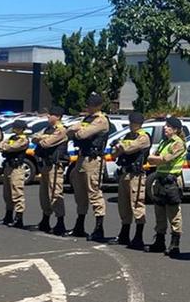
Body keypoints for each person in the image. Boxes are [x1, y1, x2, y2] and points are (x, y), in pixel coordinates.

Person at [66, 93, 112, 241]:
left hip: (93, 160)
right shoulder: (87, 119)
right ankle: (79, 226)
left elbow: (82, 134)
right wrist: (76, 131)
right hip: (81, 157)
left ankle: (99, 228)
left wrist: (76, 132)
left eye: (91, 105)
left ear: (98, 106)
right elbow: (69, 131)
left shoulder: (101, 120)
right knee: (80, 193)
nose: (88, 107)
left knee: (94, 192)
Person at [147, 116, 187, 257]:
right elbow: (153, 158)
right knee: (159, 212)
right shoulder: (164, 142)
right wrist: (155, 159)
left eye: (168, 126)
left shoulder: (178, 143)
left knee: (174, 213)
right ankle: (159, 240)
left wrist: (155, 159)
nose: (165, 128)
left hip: (172, 182)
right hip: (160, 180)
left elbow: (164, 158)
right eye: (165, 126)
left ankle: (175, 243)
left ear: (175, 130)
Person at [114, 111, 152, 249]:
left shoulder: (144, 137)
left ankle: (138, 237)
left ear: (138, 124)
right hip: (124, 173)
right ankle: (124, 234)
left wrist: (121, 145)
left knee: (137, 205)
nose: (131, 125)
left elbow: (130, 148)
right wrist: (118, 147)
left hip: (136, 175)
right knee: (123, 205)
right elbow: (116, 152)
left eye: (133, 123)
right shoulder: (128, 136)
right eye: (130, 123)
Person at [33, 107, 70, 235]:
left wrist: (41, 138)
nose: (48, 116)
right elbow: (34, 138)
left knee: (55, 193)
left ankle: (60, 222)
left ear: (58, 117)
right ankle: (45, 219)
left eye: (51, 115)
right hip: (45, 164)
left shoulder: (61, 130)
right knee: (44, 194)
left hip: (55, 166)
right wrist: (42, 137)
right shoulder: (48, 129)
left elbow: (46, 143)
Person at [0, 119, 30, 228]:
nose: (15, 129)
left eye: (17, 127)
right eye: (14, 127)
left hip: (17, 168)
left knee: (17, 192)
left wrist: (5, 147)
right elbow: (2, 145)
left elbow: (11, 147)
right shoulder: (12, 137)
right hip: (8, 166)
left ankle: (18, 217)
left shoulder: (23, 139)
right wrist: (4, 147)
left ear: (22, 129)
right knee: (7, 193)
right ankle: (8, 215)